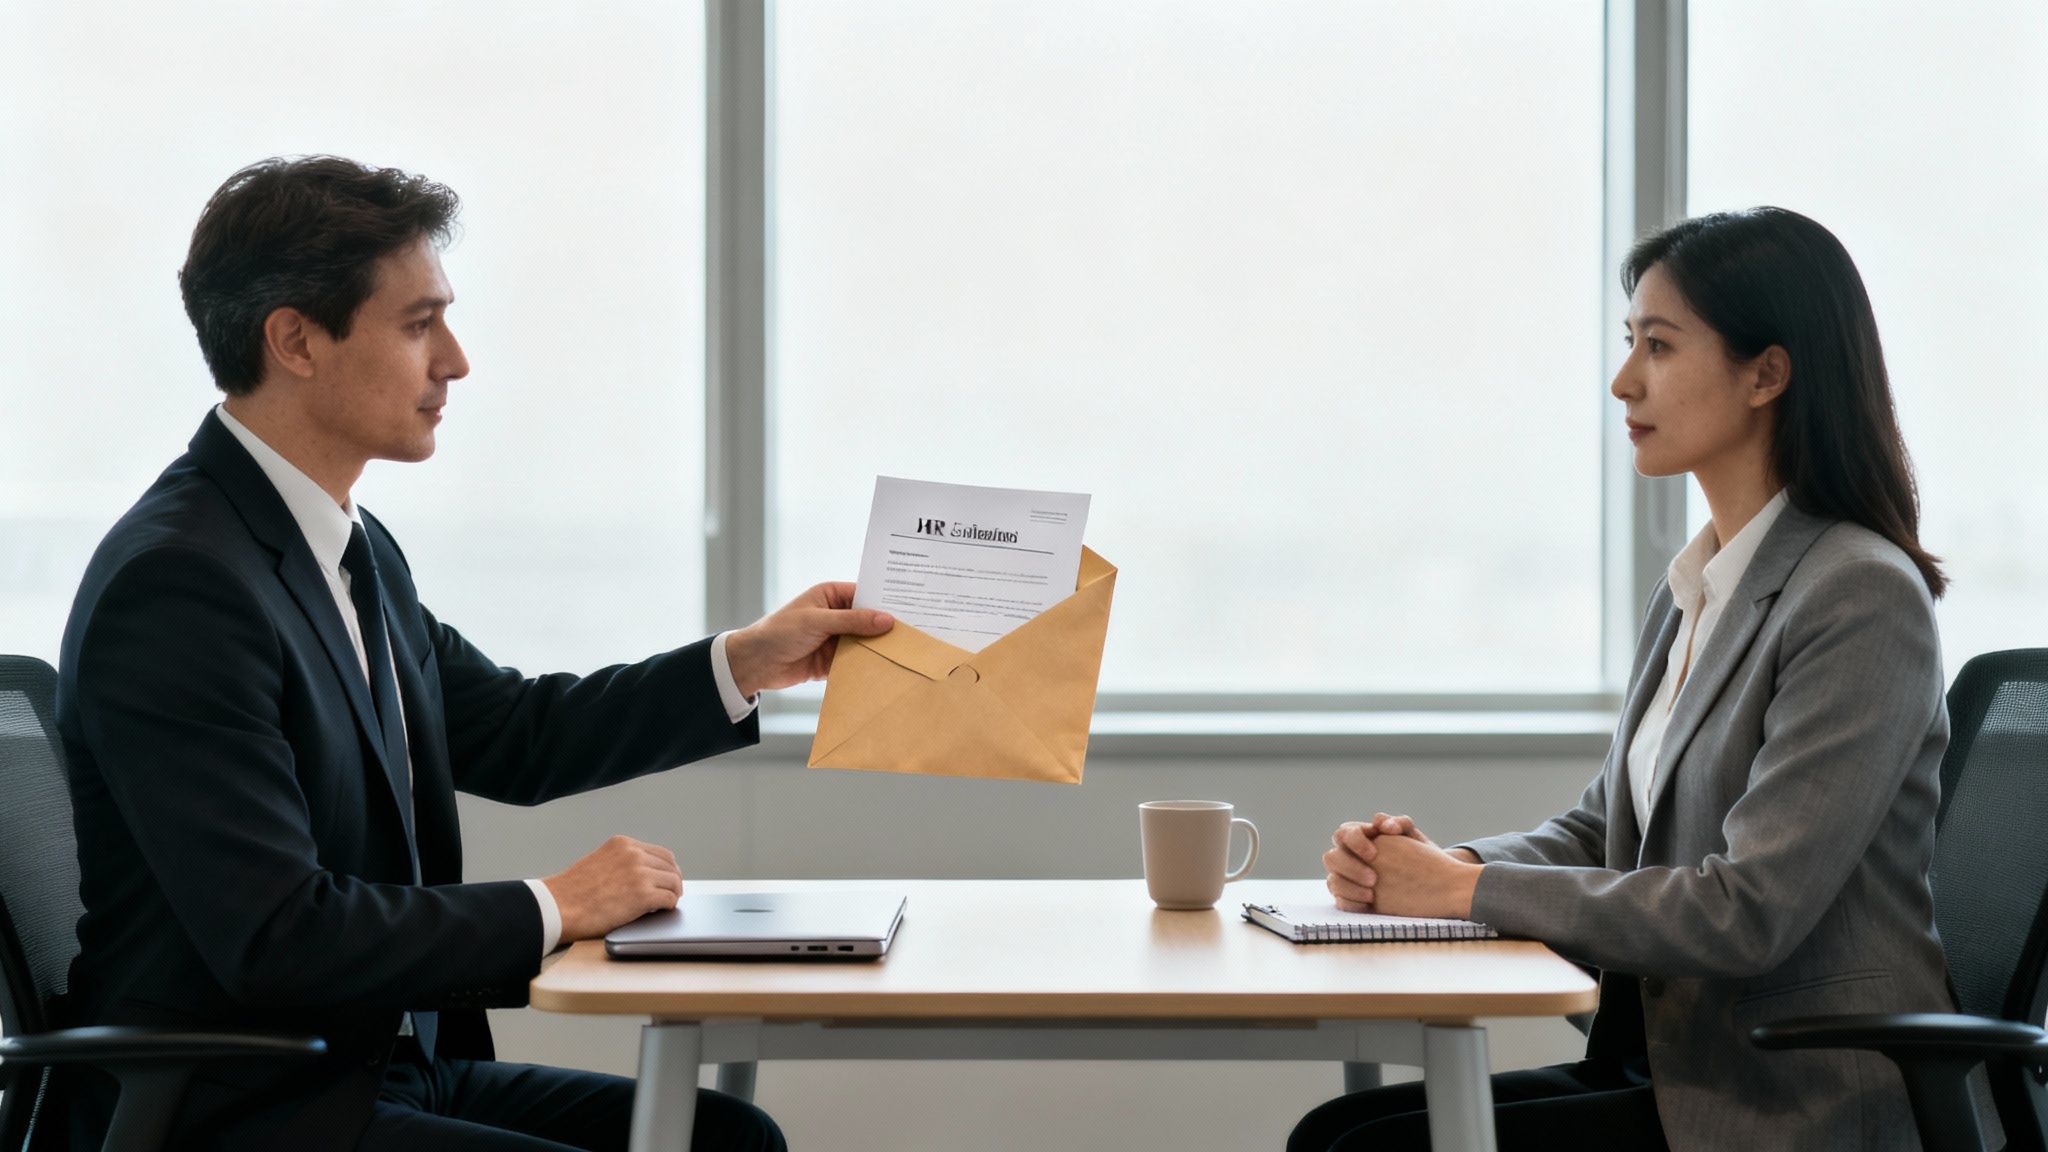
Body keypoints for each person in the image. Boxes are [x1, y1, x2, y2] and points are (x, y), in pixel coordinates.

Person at [54, 155, 893, 1151]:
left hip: (377, 1065)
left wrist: (748, 660)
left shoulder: (344, 549)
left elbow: (512, 732)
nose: (455, 360)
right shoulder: (181, 587)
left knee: (727, 1139)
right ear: (294, 340)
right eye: (418, 324)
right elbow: (277, 935)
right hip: (243, 1106)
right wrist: (557, 903)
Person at [1294, 207, 1968, 1152]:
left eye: (1658, 345)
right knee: (1341, 1131)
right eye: (1629, 343)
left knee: (1363, 1148)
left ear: (1767, 373)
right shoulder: (1701, 584)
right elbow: (1604, 829)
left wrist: (1457, 895)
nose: (1624, 381)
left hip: (1790, 1098)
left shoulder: (1859, 596)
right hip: (1672, 1062)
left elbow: (1747, 913)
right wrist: (1446, 865)